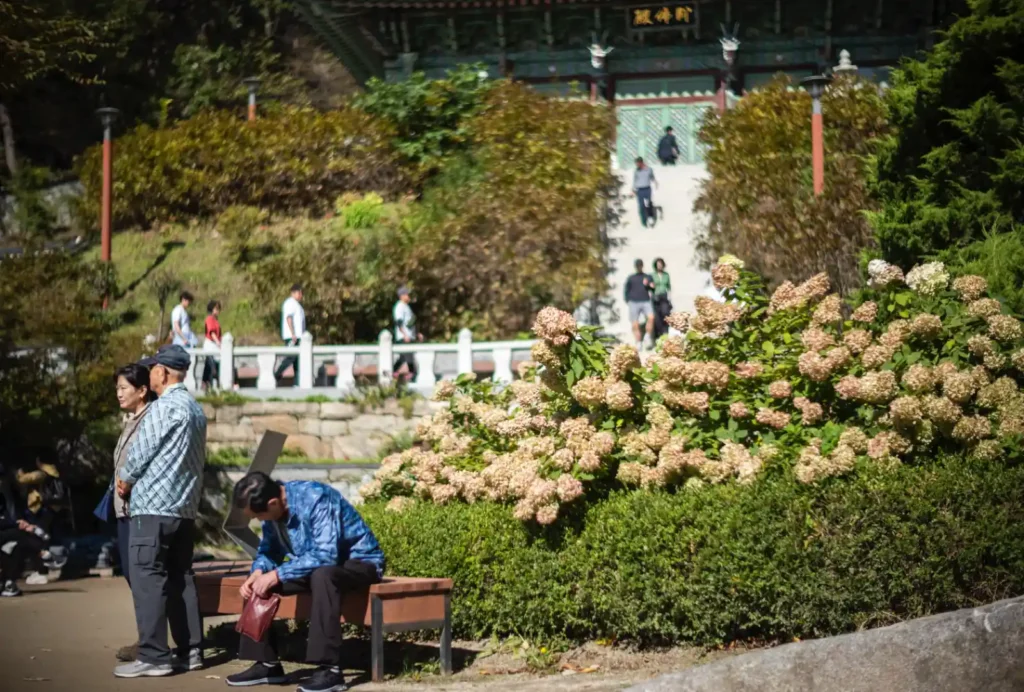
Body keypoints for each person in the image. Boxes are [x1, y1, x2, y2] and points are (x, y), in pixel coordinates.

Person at [225, 471, 386, 692]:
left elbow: (326, 554)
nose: (259, 520)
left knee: (323, 575)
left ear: (273, 503)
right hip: (317, 567)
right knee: (259, 583)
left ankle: (330, 670)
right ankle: (267, 664)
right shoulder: (273, 511)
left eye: (259, 516)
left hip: (359, 563)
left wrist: (276, 574)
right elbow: (269, 551)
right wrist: (259, 571)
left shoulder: (316, 498)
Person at [114, 344, 206, 679]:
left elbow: (140, 453)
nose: (149, 374)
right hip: (184, 508)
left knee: (147, 578)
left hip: (153, 507)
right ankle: (190, 651)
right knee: (181, 577)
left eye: (152, 369)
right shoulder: (195, 409)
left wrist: (125, 479)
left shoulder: (163, 407)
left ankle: (154, 655)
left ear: (162, 372)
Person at [111, 363, 157, 662]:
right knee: (132, 575)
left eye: (123, 388)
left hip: (138, 508)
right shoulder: (131, 420)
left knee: (141, 576)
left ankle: (151, 642)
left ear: (142, 391)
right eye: (117, 388)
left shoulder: (150, 420)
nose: (118, 393)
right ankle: (147, 638)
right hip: (123, 509)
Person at [275, 284, 305, 386]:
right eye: (299, 293)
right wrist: (293, 333)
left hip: (299, 337)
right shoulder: (290, 303)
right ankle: (276, 375)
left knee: (298, 361)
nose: (301, 295)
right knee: (290, 357)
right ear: (293, 293)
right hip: (292, 337)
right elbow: (289, 318)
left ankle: (297, 383)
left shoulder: (297, 305)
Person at [624, 259, 655, 351]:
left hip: (645, 300)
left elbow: (653, 288)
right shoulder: (631, 278)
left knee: (651, 318)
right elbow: (626, 290)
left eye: (640, 265)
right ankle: (638, 342)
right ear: (635, 267)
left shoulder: (648, 277)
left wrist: (648, 285)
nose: (639, 267)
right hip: (633, 302)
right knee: (635, 323)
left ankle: (647, 336)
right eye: (637, 265)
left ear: (642, 266)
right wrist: (628, 300)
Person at [392, 286, 420, 383]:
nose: (408, 296)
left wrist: (417, 334)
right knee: (408, 357)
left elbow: (410, 323)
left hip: (409, 336)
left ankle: (393, 372)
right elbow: (399, 322)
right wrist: (404, 335)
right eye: (407, 294)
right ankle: (412, 375)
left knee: (404, 357)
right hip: (403, 337)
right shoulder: (399, 306)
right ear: (402, 296)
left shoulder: (407, 307)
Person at [202, 300, 222, 391]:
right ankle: (207, 383)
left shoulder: (215, 320)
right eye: (216, 309)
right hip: (210, 344)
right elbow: (212, 332)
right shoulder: (209, 319)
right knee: (211, 365)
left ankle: (208, 383)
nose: (218, 311)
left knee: (212, 365)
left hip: (215, 344)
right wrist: (218, 342)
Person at [632, 157, 657, 228]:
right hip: (639, 190)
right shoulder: (636, 171)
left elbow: (652, 177)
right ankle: (644, 222)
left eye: (638, 163)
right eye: (636, 163)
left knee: (649, 204)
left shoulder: (649, 169)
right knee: (641, 206)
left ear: (641, 163)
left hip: (647, 189)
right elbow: (635, 180)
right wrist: (633, 189)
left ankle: (650, 218)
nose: (637, 165)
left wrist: (655, 182)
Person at [651, 258, 673, 339]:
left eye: (661, 264)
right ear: (655, 266)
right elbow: (649, 286)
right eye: (658, 264)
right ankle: (658, 335)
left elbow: (669, 287)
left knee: (665, 314)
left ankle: (666, 332)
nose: (659, 266)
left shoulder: (666, 275)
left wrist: (670, 297)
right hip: (655, 296)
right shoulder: (652, 275)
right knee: (657, 317)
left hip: (664, 296)